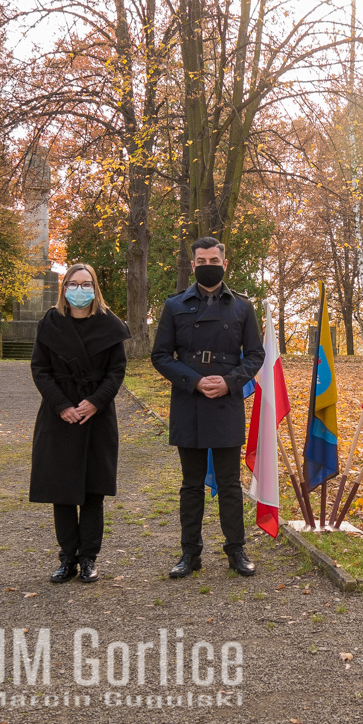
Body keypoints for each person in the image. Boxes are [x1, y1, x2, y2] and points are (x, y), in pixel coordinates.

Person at [151, 236, 264, 578]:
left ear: (224, 263)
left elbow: (256, 354)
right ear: (193, 265)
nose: (207, 265)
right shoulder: (174, 305)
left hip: (226, 401)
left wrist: (230, 382)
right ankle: (190, 554)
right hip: (189, 400)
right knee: (191, 484)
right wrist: (194, 381)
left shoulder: (243, 306)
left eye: (213, 259)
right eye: (201, 261)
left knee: (230, 483)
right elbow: (159, 356)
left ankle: (236, 551)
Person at [29, 263, 131, 584]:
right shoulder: (51, 323)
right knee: (61, 491)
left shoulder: (110, 325)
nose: (79, 289)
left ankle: (88, 558)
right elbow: (39, 368)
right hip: (58, 416)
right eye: (73, 283)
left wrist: (96, 401)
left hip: (96, 417)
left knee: (92, 492)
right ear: (64, 288)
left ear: (95, 288)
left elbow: (116, 372)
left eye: (86, 284)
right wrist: (61, 405)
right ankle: (67, 558)